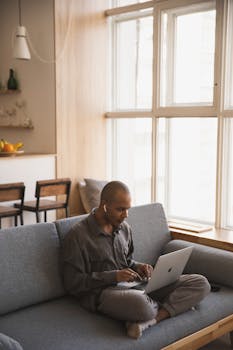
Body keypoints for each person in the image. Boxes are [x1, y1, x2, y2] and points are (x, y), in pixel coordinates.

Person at [61, 181, 210, 339]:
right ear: (104, 206)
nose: (125, 215)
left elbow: (128, 262)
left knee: (200, 283)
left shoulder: (124, 228)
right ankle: (172, 305)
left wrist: (139, 267)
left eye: (127, 209)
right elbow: (72, 283)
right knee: (142, 306)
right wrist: (114, 276)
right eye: (120, 209)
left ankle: (150, 320)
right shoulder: (77, 236)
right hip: (103, 293)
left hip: (135, 286)